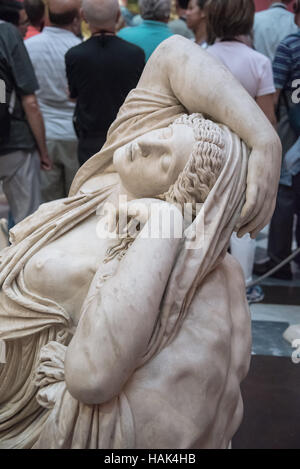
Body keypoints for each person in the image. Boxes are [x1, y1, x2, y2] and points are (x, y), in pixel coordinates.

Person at [0, 37, 281, 449]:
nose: (146, 143)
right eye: (167, 130)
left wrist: (163, 224)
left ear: (176, 194)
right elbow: (173, 54)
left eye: (165, 160)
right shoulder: (109, 178)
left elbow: (94, 376)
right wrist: (264, 138)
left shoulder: (156, 240)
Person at [205, 0, 276, 303]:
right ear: (247, 20)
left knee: (208, 215)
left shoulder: (201, 57)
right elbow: (268, 120)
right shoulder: (259, 62)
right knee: (244, 220)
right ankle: (245, 285)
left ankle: (204, 277)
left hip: (208, 148)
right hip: (246, 153)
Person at [65, 0, 145, 166]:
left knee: (89, 188)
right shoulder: (135, 54)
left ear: (83, 16)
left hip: (90, 140)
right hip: (125, 137)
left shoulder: (74, 56)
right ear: (118, 15)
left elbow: (73, 95)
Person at [255, 0, 300, 279]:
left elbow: (275, 92)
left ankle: (279, 259)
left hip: (291, 128)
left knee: (285, 191)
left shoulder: (290, 46)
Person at [25, 0, 81, 202]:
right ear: (76, 18)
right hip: (75, 135)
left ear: (47, 16)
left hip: (43, 135)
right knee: (75, 204)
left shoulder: (29, 47)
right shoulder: (79, 49)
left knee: (48, 208)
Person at [0, 18, 51, 225]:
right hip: (15, 141)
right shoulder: (6, 33)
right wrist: (42, 150)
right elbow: (30, 103)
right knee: (27, 224)